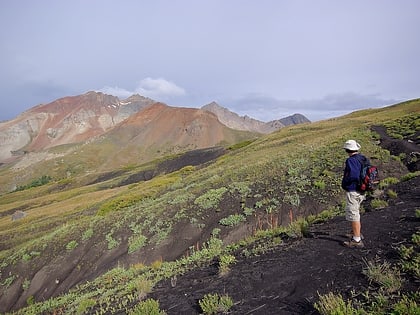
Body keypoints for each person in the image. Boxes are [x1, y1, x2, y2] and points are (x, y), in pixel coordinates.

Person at [341, 139, 369, 248]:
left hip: (353, 190)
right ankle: (354, 232)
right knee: (355, 211)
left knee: (354, 214)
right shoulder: (363, 158)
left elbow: (353, 175)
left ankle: (356, 240)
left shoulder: (351, 160)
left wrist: (345, 183)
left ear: (347, 150)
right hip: (362, 189)